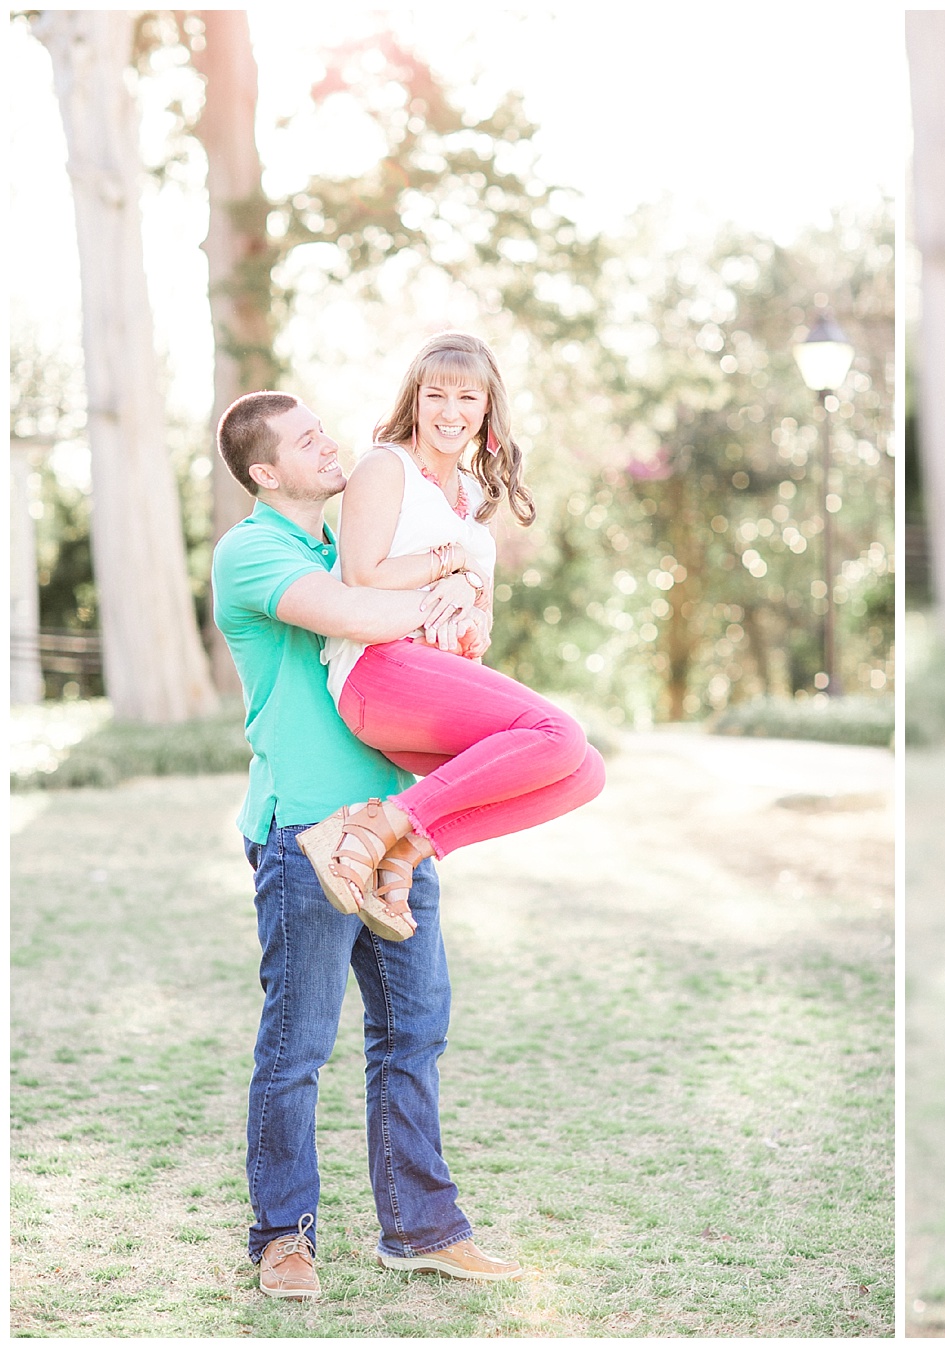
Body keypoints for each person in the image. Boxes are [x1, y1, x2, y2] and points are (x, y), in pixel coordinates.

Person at [212, 390, 526, 1300]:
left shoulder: (347, 546)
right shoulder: (254, 552)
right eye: (305, 439)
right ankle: (283, 1238)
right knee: (298, 1045)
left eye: (323, 428)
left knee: (413, 1034)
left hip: (394, 827)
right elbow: (362, 618)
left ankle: (421, 1229)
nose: (329, 442)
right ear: (267, 472)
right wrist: (454, 570)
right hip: (305, 830)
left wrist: (443, 583)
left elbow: (441, 643)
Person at [299, 331, 604, 941]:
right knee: (559, 733)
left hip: (431, 682)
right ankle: (370, 829)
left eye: (467, 397)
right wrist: (452, 566)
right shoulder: (386, 467)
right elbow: (363, 574)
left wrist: (471, 605)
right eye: (434, 394)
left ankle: (403, 852)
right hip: (376, 672)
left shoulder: (472, 496)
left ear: (487, 408)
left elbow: (478, 619)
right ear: (415, 399)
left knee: (583, 771)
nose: (449, 411)